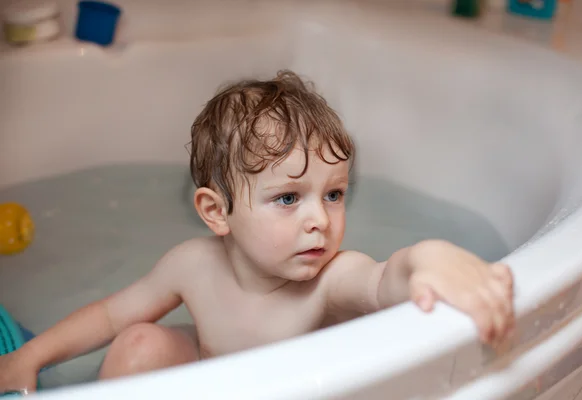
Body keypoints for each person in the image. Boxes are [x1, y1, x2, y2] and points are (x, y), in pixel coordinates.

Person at [0, 70, 514, 392]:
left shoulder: (327, 283)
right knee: (137, 343)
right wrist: (31, 356)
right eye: (288, 198)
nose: (319, 218)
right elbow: (111, 314)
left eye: (333, 194)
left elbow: (384, 281)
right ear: (216, 212)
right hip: (210, 377)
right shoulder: (192, 264)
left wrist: (429, 258)